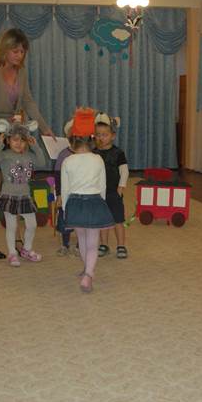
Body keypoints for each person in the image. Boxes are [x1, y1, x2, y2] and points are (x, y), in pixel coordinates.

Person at [0, 28, 54, 259]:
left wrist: (45, 128)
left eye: (23, 51)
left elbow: (28, 101)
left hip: (8, 128)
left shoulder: (21, 71)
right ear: (5, 49)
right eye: (15, 51)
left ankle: (16, 238)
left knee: (13, 182)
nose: (20, 55)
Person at [61, 108, 114, 293]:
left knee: (82, 240)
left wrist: (66, 210)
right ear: (93, 139)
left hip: (75, 203)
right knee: (93, 243)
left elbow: (65, 189)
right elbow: (103, 186)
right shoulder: (98, 159)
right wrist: (102, 205)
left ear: (71, 140)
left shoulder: (67, 161)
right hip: (94, 202)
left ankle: (86, 269)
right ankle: (89, 274)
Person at [0, 119, 46, 267]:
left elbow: (42, 163)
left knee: (32, 225)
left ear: (27, 141)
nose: (18, 143)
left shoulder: (29, 155)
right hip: (9, 195)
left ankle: (26, 249)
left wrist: (35, 147)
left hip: (25, 196)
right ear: (8, 140)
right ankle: (12, 254)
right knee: (11, 226)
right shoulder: (5, 155)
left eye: (22, 140)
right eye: (14, 140)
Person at [94, 112, 129, 259]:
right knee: (103, 221)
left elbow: (124, 171)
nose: (101, 138)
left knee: (118, 220)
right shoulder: (94, 153)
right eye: (98, 135)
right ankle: (104, 244)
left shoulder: (118, 153)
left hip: (114, 192)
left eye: (105, 135)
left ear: (113, 136)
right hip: (99, 192)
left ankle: (121, 245)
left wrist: (121, 187)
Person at [54, 145, 78, 257]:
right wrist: (59, 195)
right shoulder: (64, 154)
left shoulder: (89, 155)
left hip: (81, 194)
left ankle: (79, 245)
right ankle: (65, 244)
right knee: (64, 218)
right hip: (66, 193)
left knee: (81, 220)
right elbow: (57, 176)